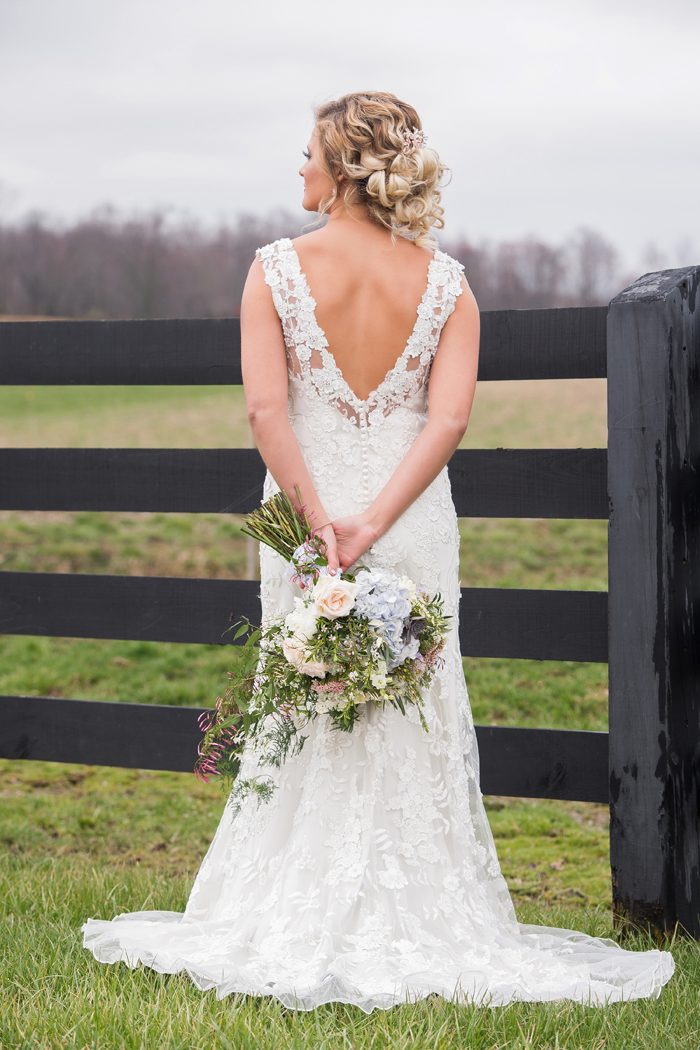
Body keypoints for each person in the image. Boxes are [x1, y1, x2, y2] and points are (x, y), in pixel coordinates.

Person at [83, 91, 674, 1010]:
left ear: (344, 168)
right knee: (416, 702)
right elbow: (449, 419)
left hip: (308, 514)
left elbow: (266, 410)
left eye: (309, 153)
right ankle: (422, 909)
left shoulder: (276, 269)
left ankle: (291, 905)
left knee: (306, 692)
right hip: (408, 521)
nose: (299, 169)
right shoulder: (448, 283)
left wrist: (319, 524)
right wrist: (372, 523)